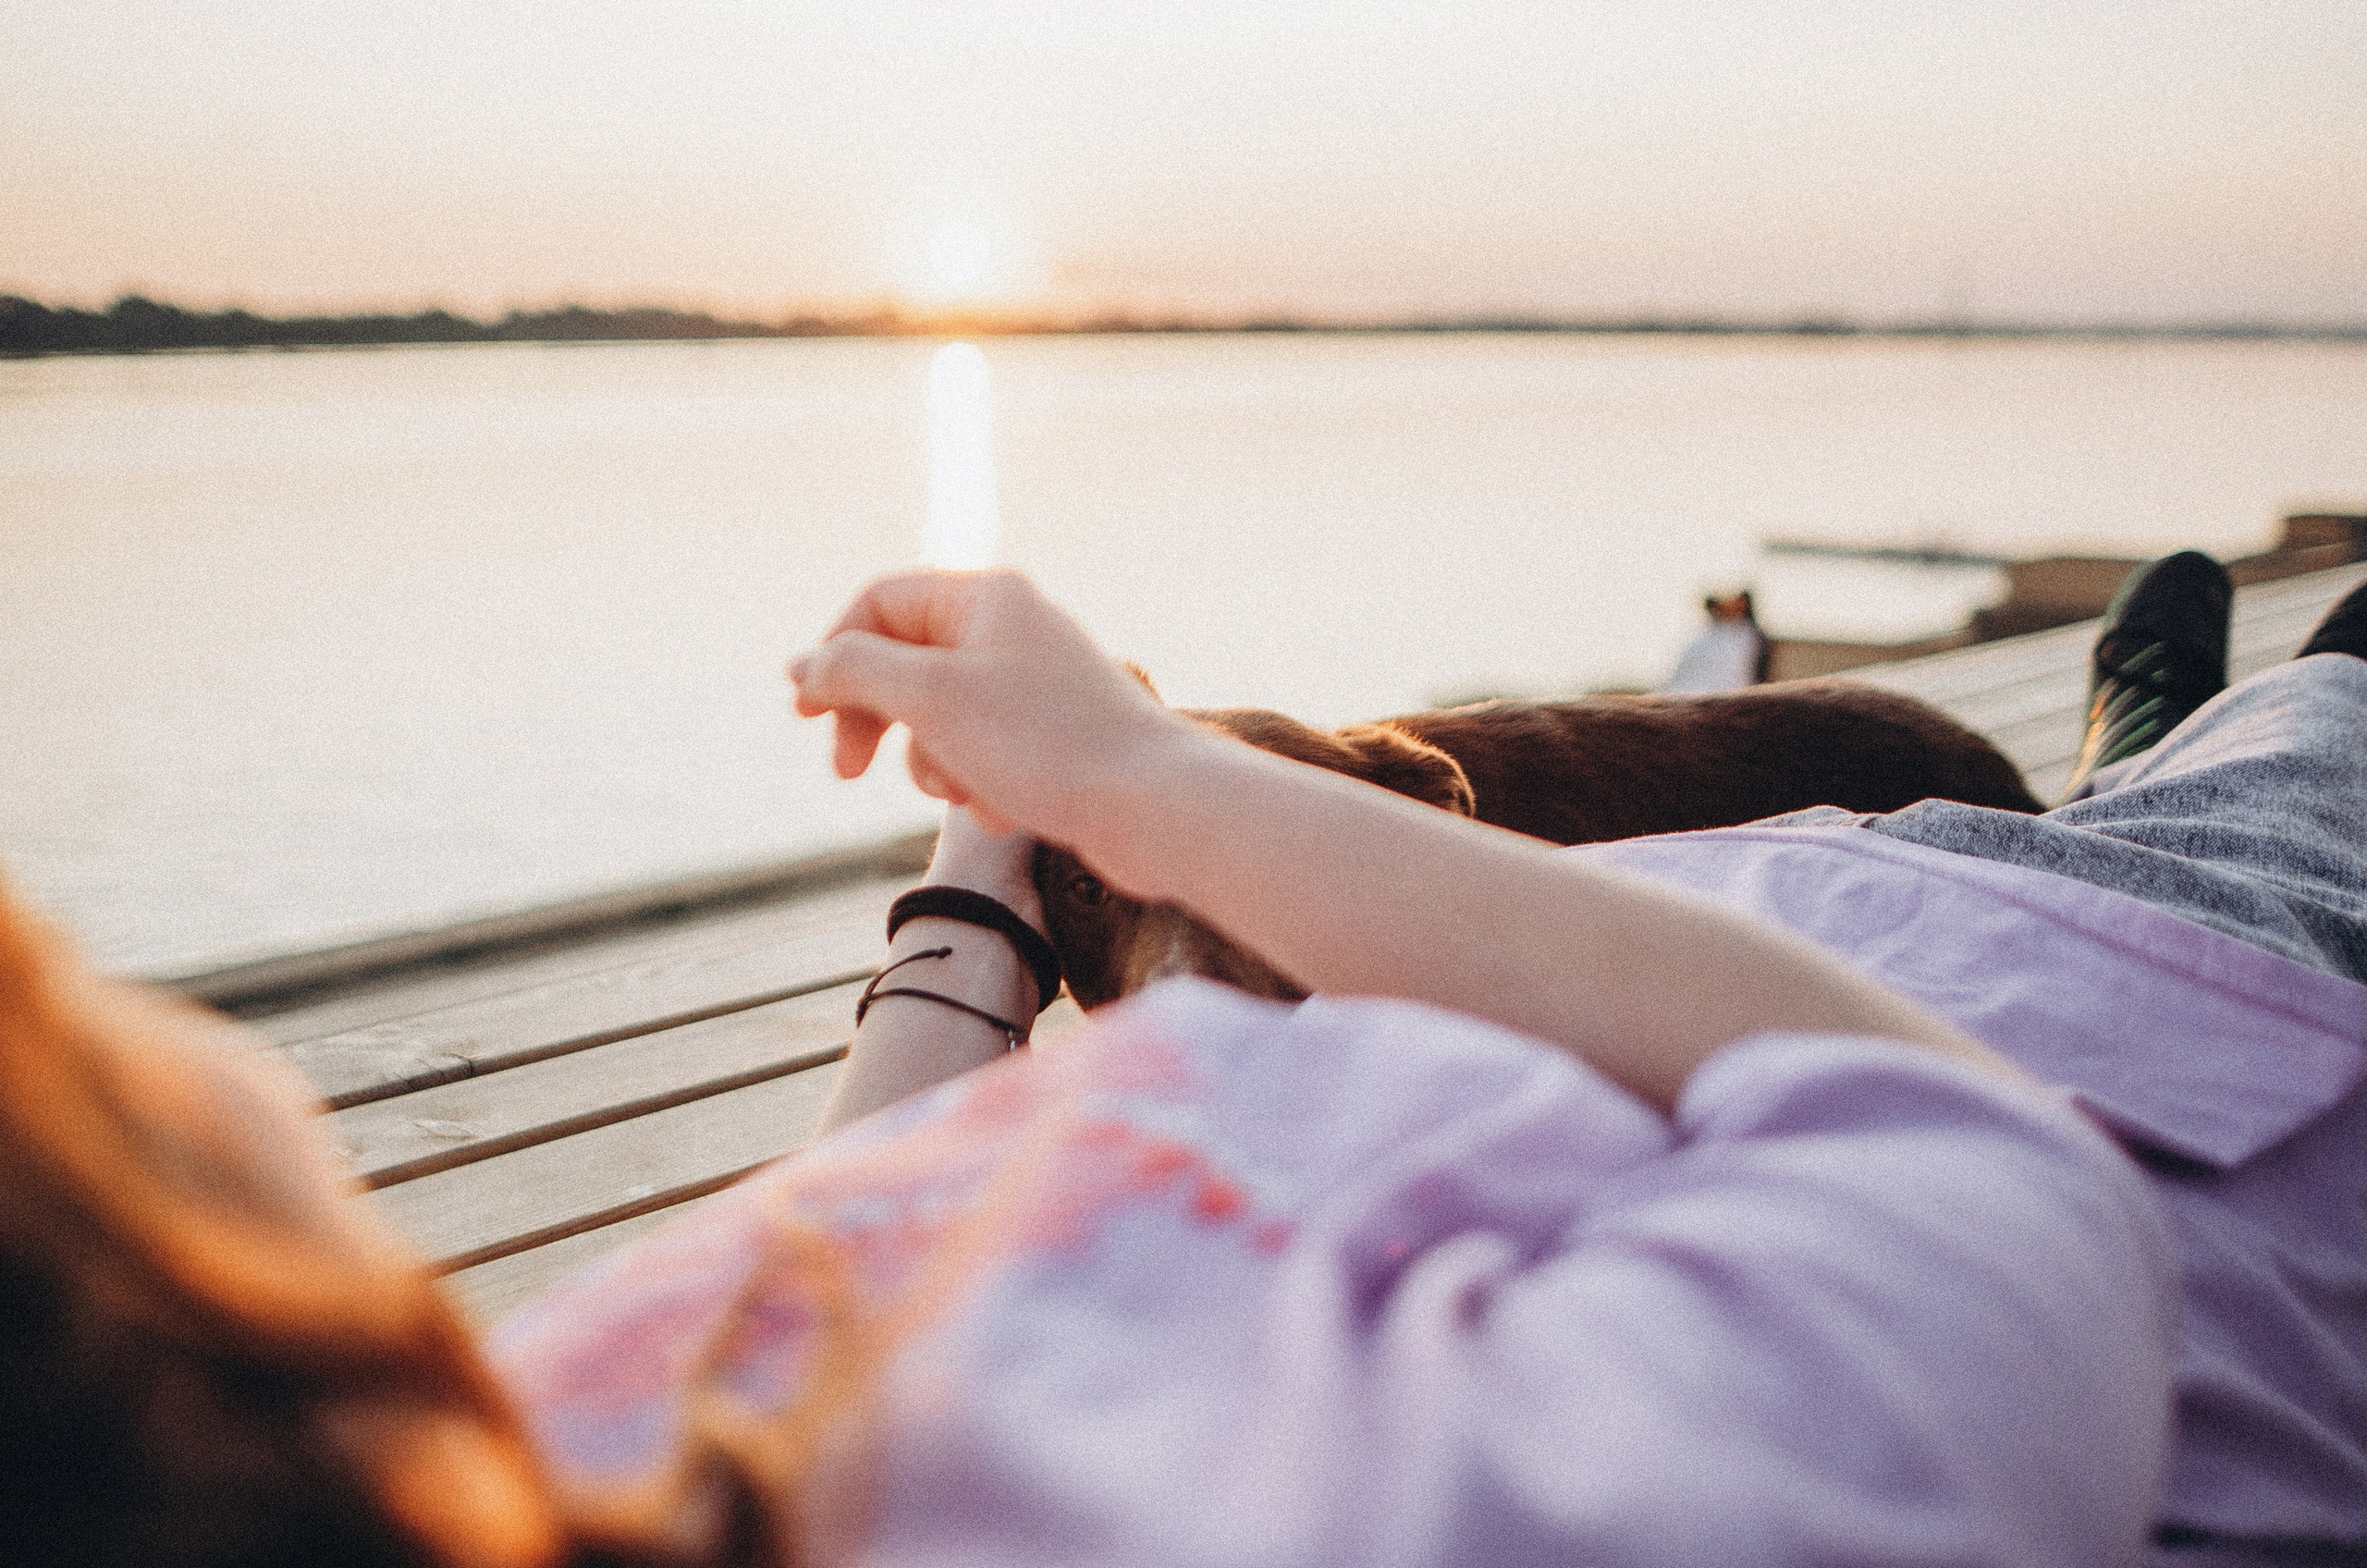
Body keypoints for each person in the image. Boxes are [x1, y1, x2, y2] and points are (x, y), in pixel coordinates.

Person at [2, 554, 2361, 1565]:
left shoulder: (505, 1476)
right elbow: (1959, 1161)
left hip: (1819, 907)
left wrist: (979, 899)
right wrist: (1148, 784)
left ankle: (2133, 738)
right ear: (167, 1301)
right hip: (2125, 1043)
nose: (200, 1044)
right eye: (97, 1021)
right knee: (2317, 702)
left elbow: (807, 1284)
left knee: (2107, 762)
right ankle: (2168, 734)